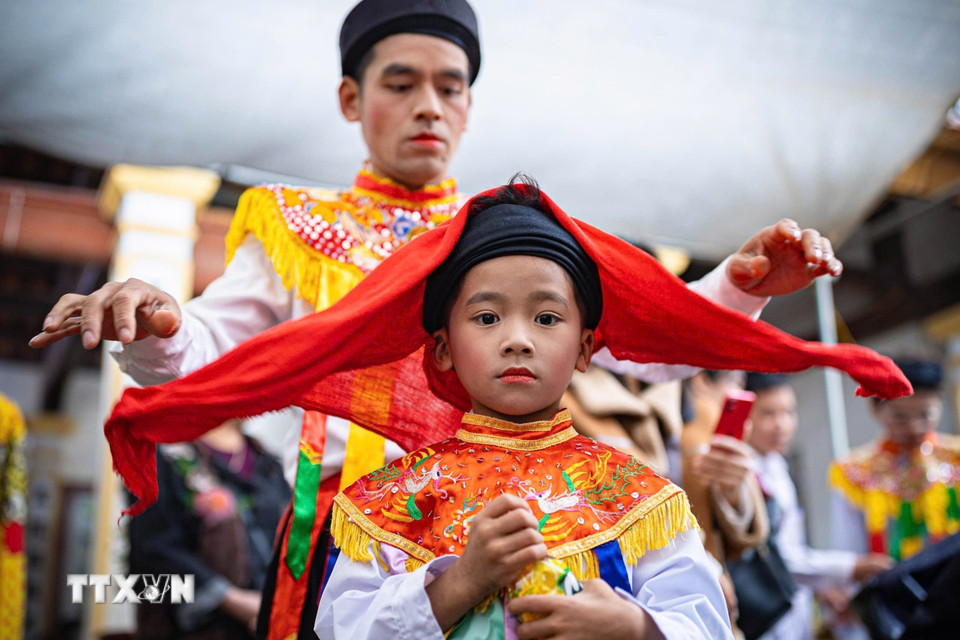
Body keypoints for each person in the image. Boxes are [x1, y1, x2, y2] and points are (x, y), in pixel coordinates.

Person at [30, 0, 850, 634]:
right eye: (401, 84)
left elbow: (641, 341)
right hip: (349, 540)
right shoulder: (297, 228)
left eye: (449, 87)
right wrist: (161, 324)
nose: (429, 105)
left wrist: (740, 284)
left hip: (520, 521)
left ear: (468, 104)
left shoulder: (499, 236)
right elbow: (218, 352)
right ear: (351, 98)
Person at [316, 179, 733, 638]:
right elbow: (342, 628)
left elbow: (705, 623)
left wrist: (634, 627)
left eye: (547, 318)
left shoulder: (637, 496)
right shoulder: (392, 501)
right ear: (443, 349)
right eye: (487, 318)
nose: (518, 340)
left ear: (584, 348)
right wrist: (461, 582)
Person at [743, 373, 892, 640]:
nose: (782, 425)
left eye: (789, 412)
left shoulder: (775, 464)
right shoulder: (742, 473)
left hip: (793, 611)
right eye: (768, 413)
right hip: (763, 617)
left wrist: (822, 588)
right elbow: (772, 556)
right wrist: (850, 567)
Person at [128, 419, 290, 640]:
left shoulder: (269, 464)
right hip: (196, 628)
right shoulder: (164, 455)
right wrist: (234, 601)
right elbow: (152, 549)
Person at [829, 358, 959, 561]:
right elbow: (848, 548)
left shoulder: (956, 457)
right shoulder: (853, 471)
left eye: (925, 415)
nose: (914, 427)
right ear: (875, 408)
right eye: (900, 417)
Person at [682, 370, 770, 637]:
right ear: (701, 380)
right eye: (734, 382)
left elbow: (744, 531)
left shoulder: (709, 430)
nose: (740, 393)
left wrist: (731, 489)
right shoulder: (688, 429)